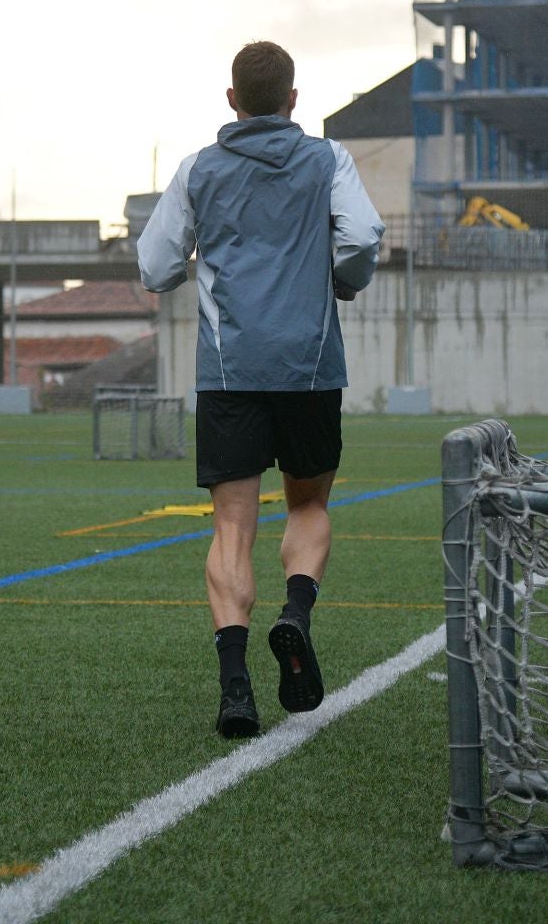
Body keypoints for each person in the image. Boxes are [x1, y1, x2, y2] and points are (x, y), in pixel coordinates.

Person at [137, 39, 384, 738]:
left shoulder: (198, 169)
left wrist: (193, 265)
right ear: (294, 101)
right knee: (308, 506)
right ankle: (295, 616)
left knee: (232, 529)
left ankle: (236, 689)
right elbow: (362, 237)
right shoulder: (327, 158)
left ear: (231, 100)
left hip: (230, 368)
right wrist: (342, 279)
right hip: (309, 366)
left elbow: (154, 265)